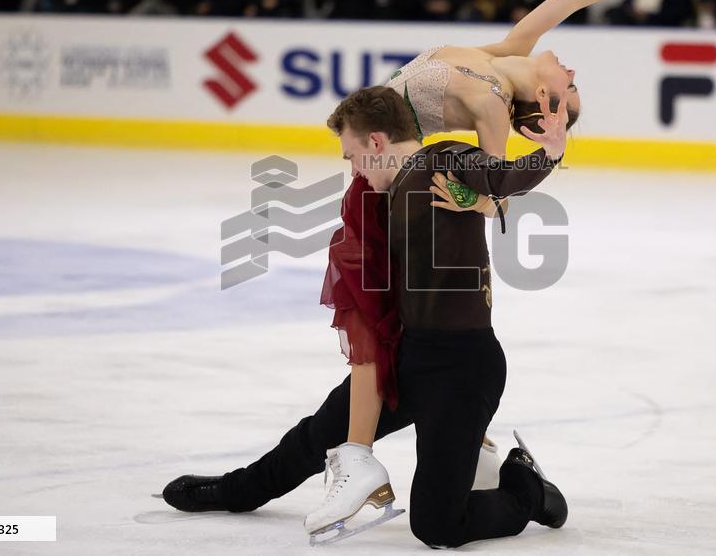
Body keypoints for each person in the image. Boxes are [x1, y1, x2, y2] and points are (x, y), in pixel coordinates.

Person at [164, 0, 709, 545]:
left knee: (368, 345)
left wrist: (487, 197)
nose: (575, 77)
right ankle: (248, 487)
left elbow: (494, 183)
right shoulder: (507, 56)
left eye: (571, 96)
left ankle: (366, 461)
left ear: (545, 108)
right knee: (352, 383)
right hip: (382, 181)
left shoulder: (491, 105)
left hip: (385, 200)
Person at [163, 85, 570, 549]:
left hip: (463, 370)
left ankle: (526, 487)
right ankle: (238, 491)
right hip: (408, 356)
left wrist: (547, 153)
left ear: (376, 142)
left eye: (351, 155)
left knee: (438, 527)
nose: (352, 169)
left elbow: (500, 178)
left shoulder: (441, 160)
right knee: (320, 434)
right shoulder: (387, 195)